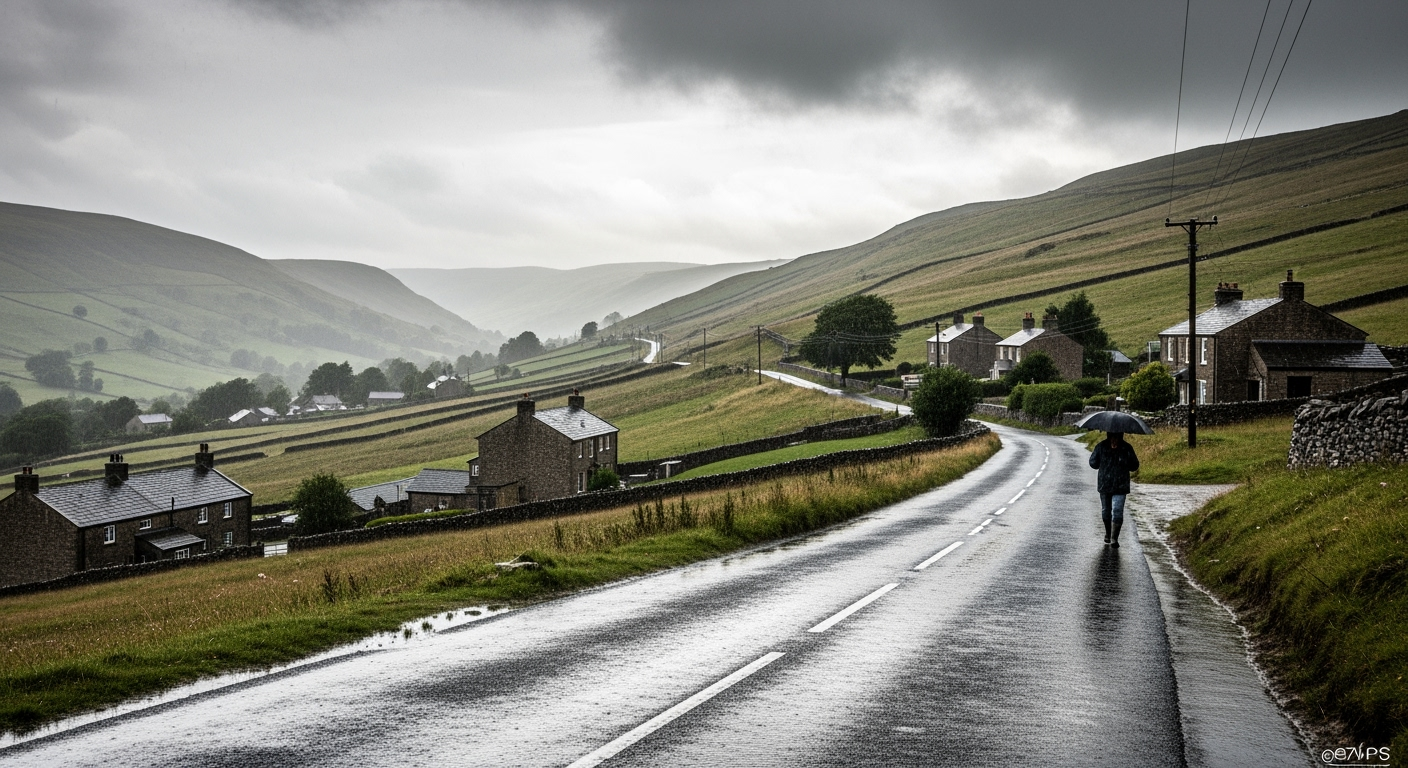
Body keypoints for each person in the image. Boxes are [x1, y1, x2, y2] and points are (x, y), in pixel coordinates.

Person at [1088, 431, 1140, 547]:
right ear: (1109, 436)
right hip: (1104, 485)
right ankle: (1108, 533)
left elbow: (1135, 466)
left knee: (1117, 511)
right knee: (1106, 511)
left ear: (1121, 436)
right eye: (1112, 436)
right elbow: (1093, 463)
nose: (1114, 439)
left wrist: (1125, 461)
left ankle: (1114, 538)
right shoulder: (1101, 447)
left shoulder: (1126, 448)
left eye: (1117, 437)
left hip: (1121, 486)